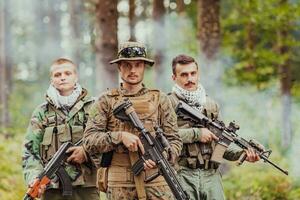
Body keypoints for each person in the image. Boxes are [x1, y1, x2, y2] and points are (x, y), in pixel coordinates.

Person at [82, 41, 182, 200]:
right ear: (119, 67)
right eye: (127, 65)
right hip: (121, 187)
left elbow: (175, 140)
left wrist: (162, 157)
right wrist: (119, 137)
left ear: (144, 67)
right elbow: (88, 141)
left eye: (138, 64)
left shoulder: (161, 100)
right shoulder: (106, 101)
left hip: (157, 185)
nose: (133, 70)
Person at [168, 54, 260, 200]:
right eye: (184, 75)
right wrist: (196, 133)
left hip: (211, 176)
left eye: (193, 73)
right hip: (182, 174)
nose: (189, 79)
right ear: (174, 77)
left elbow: (220, 146)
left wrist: (242, 154)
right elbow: (163, 137)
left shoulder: (211, 105)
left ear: (198, 74)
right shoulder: (168, 104)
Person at [22, 58, 99, 200]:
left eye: (67, 73)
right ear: (52, 80)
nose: (62, 77)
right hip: (52, 189)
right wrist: (34, 177)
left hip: (86, 188)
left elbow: (105, 139)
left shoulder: (93, 107)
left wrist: (86, 152)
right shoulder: (41, 112)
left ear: (76, 77)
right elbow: (30, 150)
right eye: (57, 75)